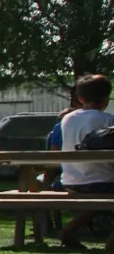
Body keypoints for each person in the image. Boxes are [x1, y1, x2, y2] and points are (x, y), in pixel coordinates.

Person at [58, 75, 114, 249]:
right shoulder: (108, 120)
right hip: (101, 184)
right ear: (106, 99)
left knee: (95, 201)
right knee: (101, 194)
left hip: (69, 181)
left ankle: (69, 231)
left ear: (80, 98)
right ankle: (111, 245)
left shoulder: (67, 119)